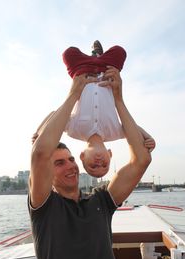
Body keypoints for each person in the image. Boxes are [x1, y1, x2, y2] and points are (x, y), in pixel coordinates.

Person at [28, 66, 152, 259]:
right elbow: (40, 153)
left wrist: (118, 99)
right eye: (59, 163)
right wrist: (74, 94)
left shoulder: (102, 201)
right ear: (47, 175)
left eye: (71, 159)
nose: (71, 166)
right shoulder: (43, 207)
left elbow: (141, 159)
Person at [62, 41, 155, 177]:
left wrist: (38, 133)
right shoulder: (115, 132)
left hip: (83, 70)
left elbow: (53, 116)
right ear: (110, 154)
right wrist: (149, 137)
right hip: (106, 70)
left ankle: (95, 55)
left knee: (68, 53)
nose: (99, 162)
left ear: (82, 156)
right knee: (120, 51)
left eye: (93, 166)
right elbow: (134, 128)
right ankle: (98, 55)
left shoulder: (73, 130)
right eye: (105, 165)